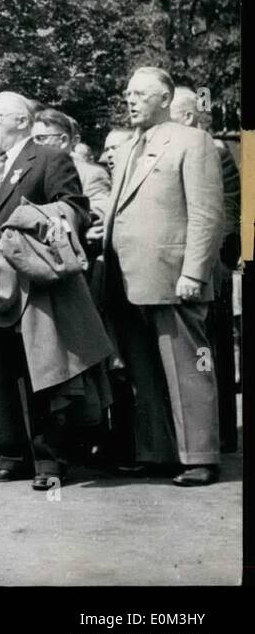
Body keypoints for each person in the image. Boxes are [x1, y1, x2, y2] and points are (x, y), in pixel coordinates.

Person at [0, 92, 108, 490]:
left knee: (41, 373)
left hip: (32, 286)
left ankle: (50, 462)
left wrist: (51, 220)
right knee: (0, 373)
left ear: (23, 120)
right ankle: (12, 455)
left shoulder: (48, 158)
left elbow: (75, 206)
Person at [102, 69, 225, 486]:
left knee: (188, 369)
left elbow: (207, 213)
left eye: (139, 94)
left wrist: (194, 271)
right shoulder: (133, 144)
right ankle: (158, 451)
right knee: (146, 371)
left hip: (174, 276)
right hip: (129, 278)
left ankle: (200, 457)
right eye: (128, 93)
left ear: (166, 98)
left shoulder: (192, 141)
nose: (130, 100)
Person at [169, 87, 241, 455]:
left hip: (208, 266)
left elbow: (225, 213)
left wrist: (211, 262)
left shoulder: (213, 152)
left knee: (210, 354)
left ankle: (223, 432)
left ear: (188, 117)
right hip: (177, 265)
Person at [34, 108, 110, 223]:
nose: (35, 144)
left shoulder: (92, 174)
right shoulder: (31, 171)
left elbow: (100, 212)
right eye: (32, 140)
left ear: (63, 140)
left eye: (41, 138)